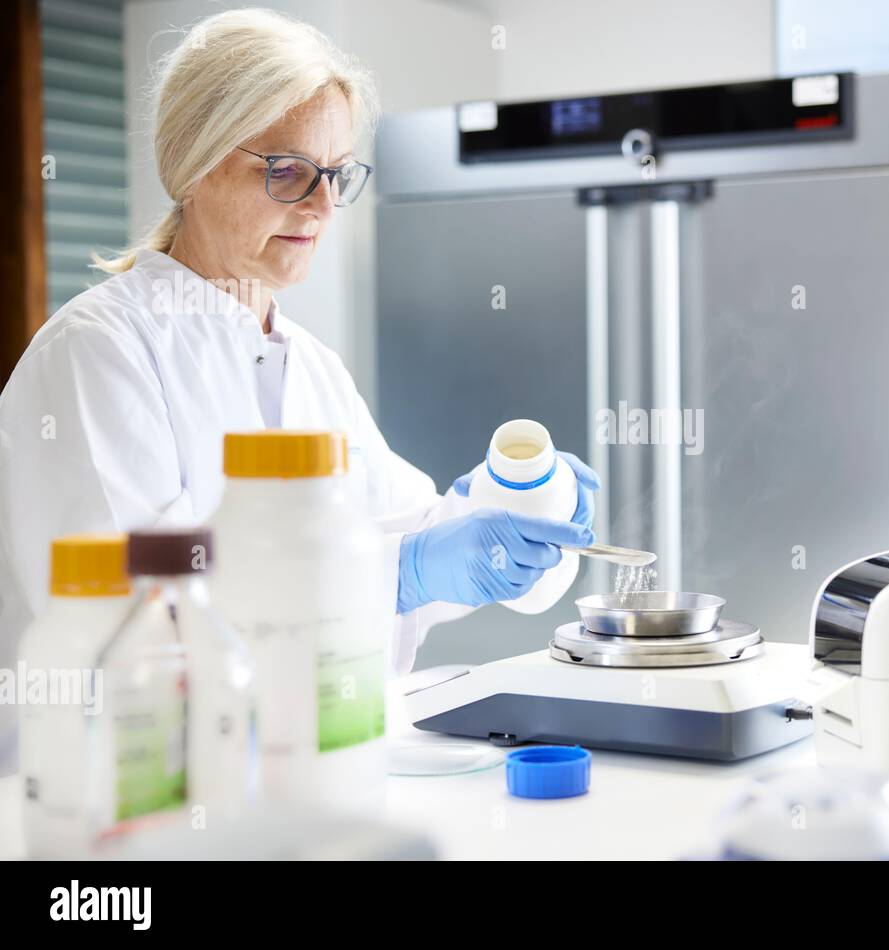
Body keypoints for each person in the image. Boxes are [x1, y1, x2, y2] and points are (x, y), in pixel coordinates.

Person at [0, 8, 598, 773]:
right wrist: (407, 566)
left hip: (292, 793)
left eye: (337, 173)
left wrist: (512, 506)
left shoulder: (308, 366)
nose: (321, 207)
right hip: (116, 809)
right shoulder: (100, 353)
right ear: (194, 163)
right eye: (286, 171)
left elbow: (403, 538)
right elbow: (153, 626)